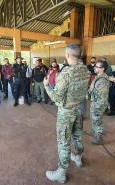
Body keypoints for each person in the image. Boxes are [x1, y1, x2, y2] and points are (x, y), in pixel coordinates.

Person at [44, 44, 89, 183]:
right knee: (77, 136)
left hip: (66, 112)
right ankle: (78, 157)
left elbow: (57, 98)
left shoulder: (66, 73)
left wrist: (47, 85)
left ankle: (61, 173)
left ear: (68, 55)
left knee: (63, 141)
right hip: (78, 108)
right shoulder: (86, 70)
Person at [88, 59, 109, 145]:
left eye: (97, 66)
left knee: (97, 120)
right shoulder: (98, 76)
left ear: (102, 69)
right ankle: (94, 132)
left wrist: (87, 93)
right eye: (95, 66)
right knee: (93, 118)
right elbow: (92, 88)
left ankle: (99, 139)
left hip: (99, 103)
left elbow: (99, 93)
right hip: (95, 102)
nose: (95, 68)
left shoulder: (102, 79)